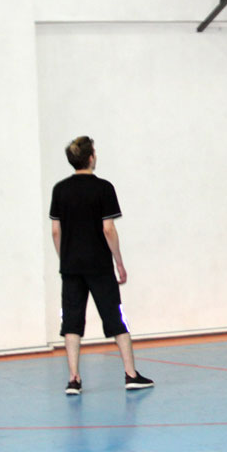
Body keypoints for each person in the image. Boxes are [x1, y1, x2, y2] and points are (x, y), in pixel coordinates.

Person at [49, 136, 153, 395]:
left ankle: (74, 379)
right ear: (91, 157)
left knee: (71, 322)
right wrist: (119, 262)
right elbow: (108, 229)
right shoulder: (104, 188)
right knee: (115, 318)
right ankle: (131, 374)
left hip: (71, 267)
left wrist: (64, 258)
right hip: (99, 266)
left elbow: (55, 231)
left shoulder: (60, 190)